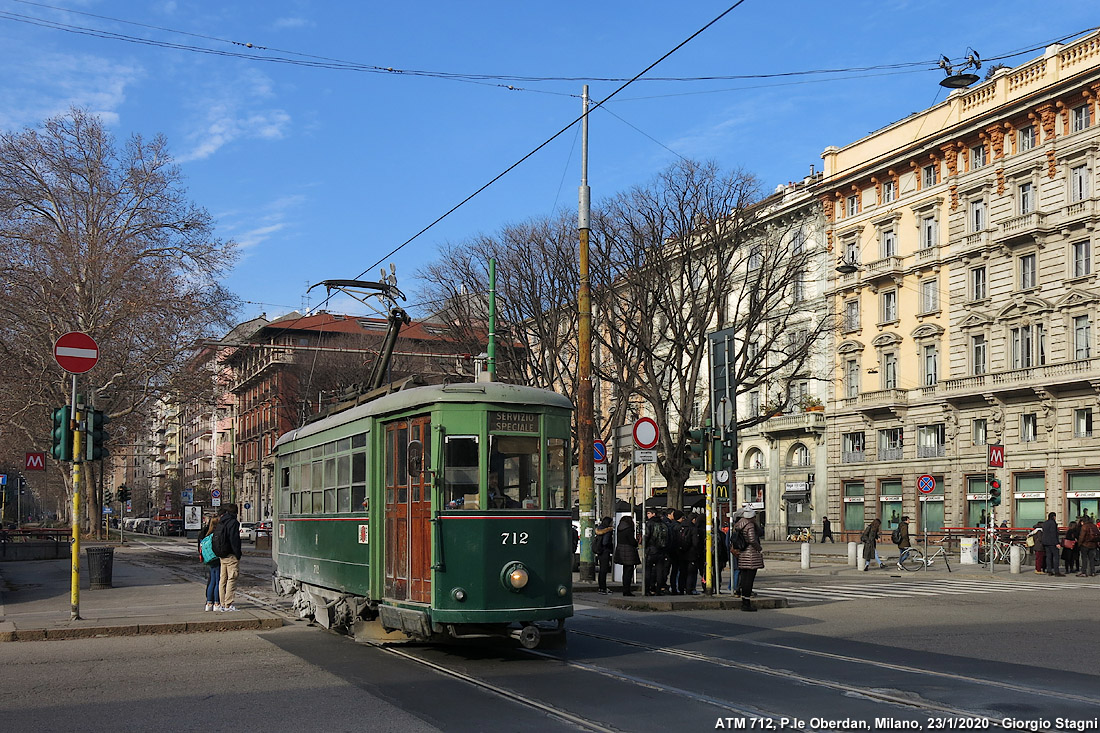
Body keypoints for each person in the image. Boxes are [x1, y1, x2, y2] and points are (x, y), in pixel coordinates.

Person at [733, 508, 764, 611]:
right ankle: (746, 603)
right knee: (749, 580)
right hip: (750, 555)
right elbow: (751, 539)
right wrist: (759, 548)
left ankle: (744, 601)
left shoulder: (739, 525)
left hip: (742, 554)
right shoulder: (749, 525)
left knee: (744, 578)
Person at [217, 503, 243, 611]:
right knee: (232, 578)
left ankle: (222, 603)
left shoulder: (222, 521)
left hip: (222, 554)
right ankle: (228, 604)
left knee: (222, 579)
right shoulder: (233, 523)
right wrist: (238, 554)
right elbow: (234, 540)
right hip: (231, 555)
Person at [643, 508, 669, 595]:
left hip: (651, 550)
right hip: (661, 551)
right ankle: (658, 590)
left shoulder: (649, 523)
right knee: (659, 571)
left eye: (649, 513)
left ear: (653, 514)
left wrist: (645, 547)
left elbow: (646, 536)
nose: (647, 515)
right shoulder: (663, 523)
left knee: (648, 571)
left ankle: (647, 590)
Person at [198, 514, 221, 612]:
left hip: (209, 560)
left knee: (211, 581)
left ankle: (209, 603)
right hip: (217, 558)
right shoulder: (216, 534)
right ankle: (216, 603)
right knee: (218, 581)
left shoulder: (206, 534)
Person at [613, 515, 640, 596]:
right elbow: (632, 541)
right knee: (629, 571)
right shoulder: (629, 529)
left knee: (625, 571)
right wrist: (636, 542)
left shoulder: (619, 528)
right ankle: (627, 590)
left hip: (621, 549)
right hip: (629, 550)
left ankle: (625, 588)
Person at [594, 516, 615, 595]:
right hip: (605, 551)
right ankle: (603, 588)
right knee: (604, 570)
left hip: (599, 551)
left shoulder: (599, 528)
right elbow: (605, 542)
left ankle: (601, 587)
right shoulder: (607, 530)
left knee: (601, 571)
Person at [1040, 512, 1064, 576]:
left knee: (1048, 557)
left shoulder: (1045, 523)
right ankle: (1056, 571)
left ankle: (1049, 570)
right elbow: (1053, 534)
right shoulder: (1053, 523)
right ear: (1054, 517)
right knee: (1056, 557)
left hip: (1046, 542)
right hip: (1052, 543)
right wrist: (1057, 543)